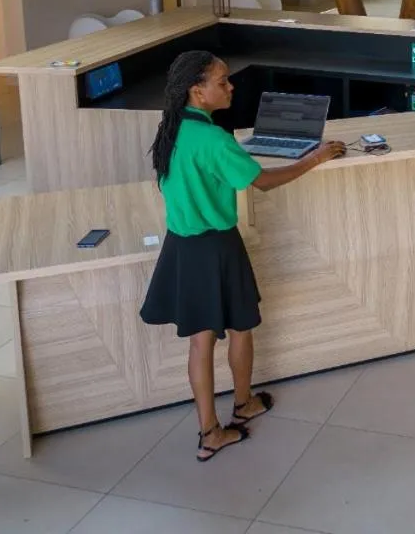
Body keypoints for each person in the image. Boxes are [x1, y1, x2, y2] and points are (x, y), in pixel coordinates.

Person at [139, 50, 345, 462]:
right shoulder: (213, 139)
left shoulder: (173, 126)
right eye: (221, 81)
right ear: (197, 91)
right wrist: (314, 158)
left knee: (200, 343)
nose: (231, 87)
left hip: (182, 245)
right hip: (216, 245)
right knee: (241, 327)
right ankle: (243, 404)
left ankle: (209, 430)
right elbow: (263, 182)